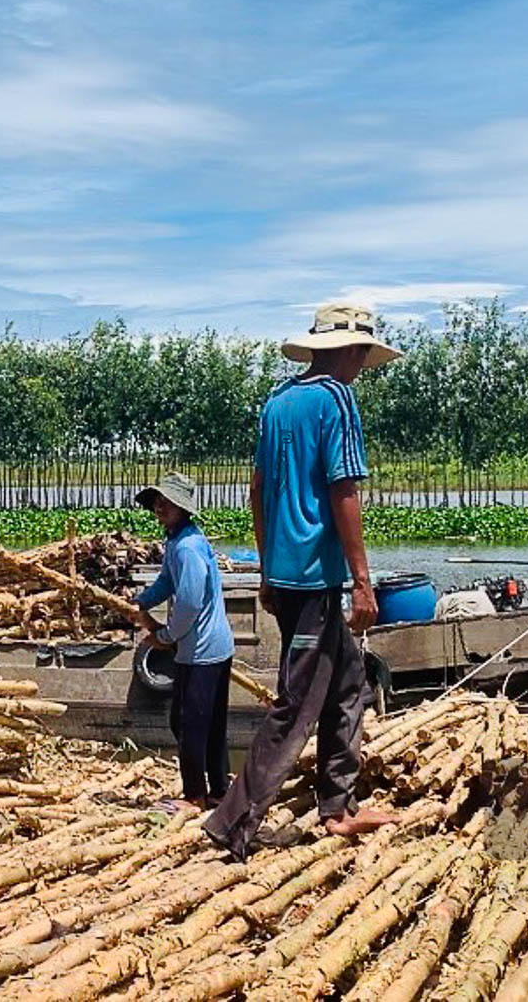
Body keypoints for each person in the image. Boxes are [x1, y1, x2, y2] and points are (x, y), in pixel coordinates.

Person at [203, 302, 403, 861]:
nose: (364, 362)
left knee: (350, 685)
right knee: (296, 704)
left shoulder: (278, 402)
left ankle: (337, 807)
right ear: (351, 351)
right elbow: (344, 491)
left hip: (288, 575)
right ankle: (231, 821)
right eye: (363, 351)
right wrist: (363, 582)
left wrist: (267, 570)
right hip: (316, 578)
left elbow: (257, 491)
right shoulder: (336, 400)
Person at [133, 471, 235, 811]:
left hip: (202, 651)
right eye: (158, 501)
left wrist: (165, 636)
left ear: (183, 508)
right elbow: (167, 582)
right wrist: (140, 602)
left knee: (189, 723)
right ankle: (218, 788)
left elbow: (189, 601)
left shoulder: (189, 547)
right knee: (206, 721)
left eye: (168, 502)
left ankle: (195, 795)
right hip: (208, 648)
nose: (160, 507)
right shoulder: (178, 540)